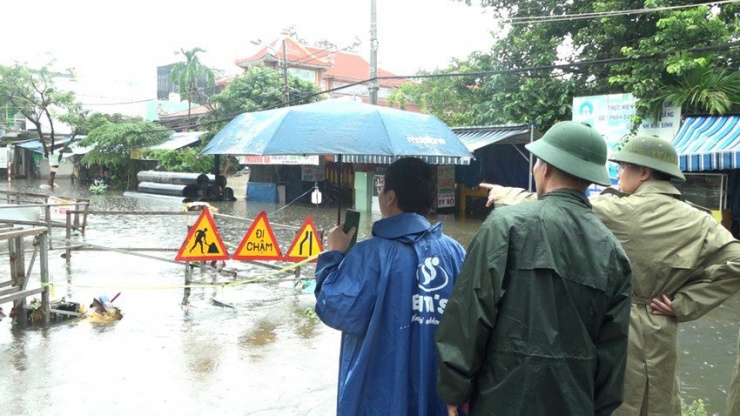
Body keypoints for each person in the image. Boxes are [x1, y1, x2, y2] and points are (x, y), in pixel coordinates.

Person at [485, 135, 740, 416]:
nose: (618, 173)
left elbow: (557, 204)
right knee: (659, 402)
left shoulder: (620, 211)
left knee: (614, 400)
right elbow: (736, 261)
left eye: (623, 167)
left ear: (643, 173)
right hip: (661, 324)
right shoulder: (699, 219)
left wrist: (504, 194)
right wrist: (685, 302)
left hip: (618, 320)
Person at [436, 121, 633, 415]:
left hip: (501, 399)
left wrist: (455, 388)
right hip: (574, 404)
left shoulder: (506, 225)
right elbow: (612, 353)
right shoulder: (614, 253)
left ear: (546, 168)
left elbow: (470, 313)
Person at [314, 157, 466, 416]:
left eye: (382, 190)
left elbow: (334, 308)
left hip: (378, 396)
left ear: (390, 197)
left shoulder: (368, 255)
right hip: (440, 393)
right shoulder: (455, 253)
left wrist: (334, 255)